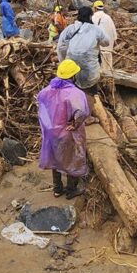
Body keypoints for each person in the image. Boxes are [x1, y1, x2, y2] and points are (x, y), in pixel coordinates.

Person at [37, 59, 91, 198]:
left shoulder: (46, 91)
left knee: (56, 158)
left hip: (52, 132)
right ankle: (71, 190)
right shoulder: (75, 93)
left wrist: (48, 126)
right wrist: (75, 124)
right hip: (67, 133)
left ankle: (57, 189)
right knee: (72, 158)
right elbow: (81, 112)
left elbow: (41, 107)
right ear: (73, 76)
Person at [56, 5, 110, 91]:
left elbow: (61, 47)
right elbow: (106, 42)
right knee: (91, 90)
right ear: (90, 16)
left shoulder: (70, 29)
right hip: (90, 73)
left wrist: (63, 62)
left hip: (71, 72)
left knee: (72, 91)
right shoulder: (96, 30)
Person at [91, 0, 117, 74]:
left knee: (98, 61)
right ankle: (109, 73)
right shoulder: (108, 17)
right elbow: (113, 30)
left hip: (97, 44)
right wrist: (114, 39)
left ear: (95, 8)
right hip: (108, 45)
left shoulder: (93, 17)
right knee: (108, 61)